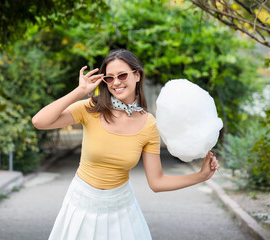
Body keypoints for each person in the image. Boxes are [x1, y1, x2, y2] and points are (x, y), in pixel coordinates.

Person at [32, 49, 220, 240]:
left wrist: (200, 176)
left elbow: (157, 182)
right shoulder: (91, 108)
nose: (116, 83)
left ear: (136, 75)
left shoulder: (149, 125)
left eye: (122, 75)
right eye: (109, 78)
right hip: (81, 205)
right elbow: (40, 121)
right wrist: (80, 91)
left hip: (121, 209)